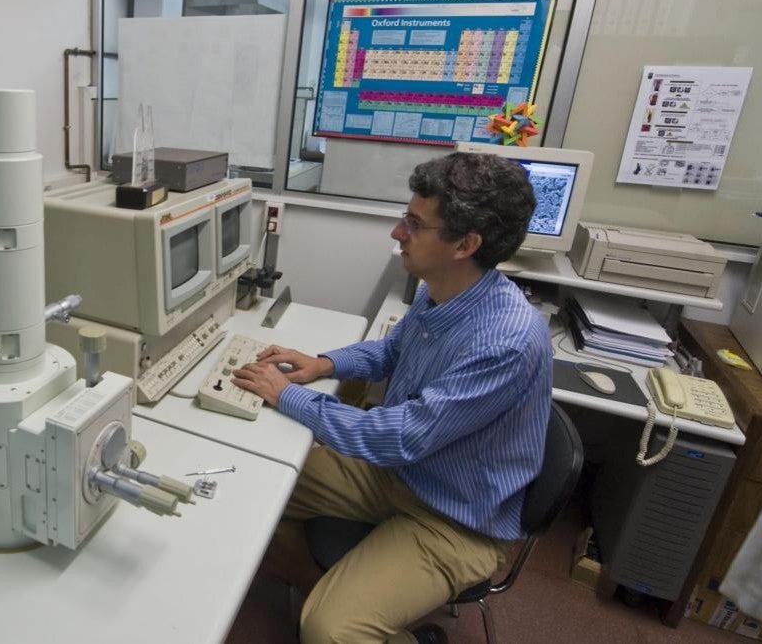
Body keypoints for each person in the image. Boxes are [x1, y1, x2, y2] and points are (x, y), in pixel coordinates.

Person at [232, 151, 553, 644]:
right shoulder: (439, 288)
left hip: (455, 517)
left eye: (414, 224)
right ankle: (332, 597)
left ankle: (355, 624)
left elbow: (398, 436)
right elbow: (393, 350)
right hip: (397, 475)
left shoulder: (506, 340)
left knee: (328, 632)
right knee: (256, 487)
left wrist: (287, 396)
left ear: (465, 245)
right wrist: (324, 364)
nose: (397, 233)